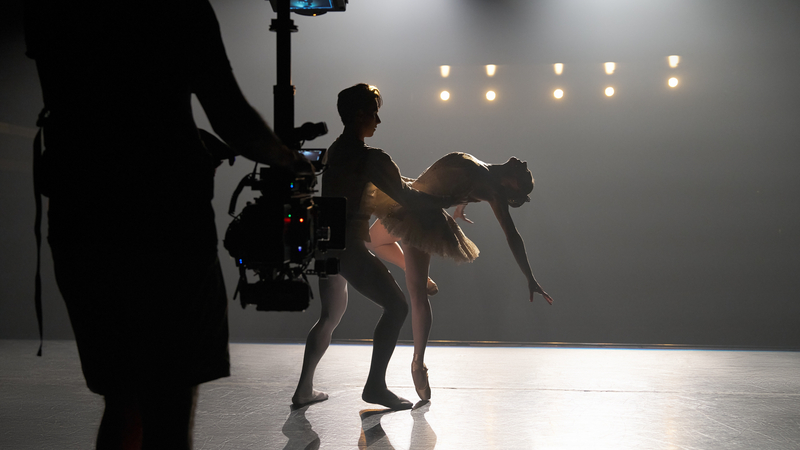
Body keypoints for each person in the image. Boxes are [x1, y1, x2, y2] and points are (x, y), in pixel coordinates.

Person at [24, 1, 309, 448]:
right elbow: (231, 116)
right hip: (164, 224)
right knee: (169, 402)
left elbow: (96, 106)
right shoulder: (179, 8)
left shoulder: (56, 10)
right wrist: (290, 160)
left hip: (81, 216)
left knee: (122, 397)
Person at [291, 84, 456, 410]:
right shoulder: (372, 158)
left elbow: (392, 186)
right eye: (373, 113)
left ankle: (303, 389)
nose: (378, 121)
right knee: (397, 307)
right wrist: (450, 198)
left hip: (326, 244)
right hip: (349, 247)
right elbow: (406, 197)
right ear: (359, 115)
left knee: (329, 316)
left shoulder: (334, 152)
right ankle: (375, 386)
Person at [367, 152, 554, 400]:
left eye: (525, 174)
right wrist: (461, 204)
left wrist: (529, 276)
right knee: (371, 241)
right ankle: (416, 276)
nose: (525, 164)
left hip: (421, 216)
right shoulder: (485, 170)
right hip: (408, 198)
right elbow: (460, 180)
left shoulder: (493, 190)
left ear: (513, 184)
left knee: (417, 295)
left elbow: (512, 235)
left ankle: (418, 364)